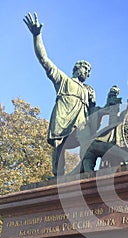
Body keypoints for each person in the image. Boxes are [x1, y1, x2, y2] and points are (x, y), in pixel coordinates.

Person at [23, 12, 96, 176]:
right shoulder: (63, 80)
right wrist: (37, 36)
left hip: (80, 120)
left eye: (89, 72)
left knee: (87, 140)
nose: (88, 73)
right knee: (59, 146)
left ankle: (85, 168)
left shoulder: (88, 90)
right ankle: (58, 175)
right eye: (86, 69)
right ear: (77, 68)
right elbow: (44, 60)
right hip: (63, 116)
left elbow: (93, 112)